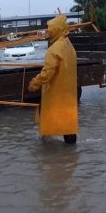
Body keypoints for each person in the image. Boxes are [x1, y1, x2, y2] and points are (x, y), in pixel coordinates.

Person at [28, 15, 78, 144]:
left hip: (56, 91)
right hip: (69, 92)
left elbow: (47, 72)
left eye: (50, 28)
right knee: (69, 122)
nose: (48, 31)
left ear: (57, 29)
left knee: (49, 116)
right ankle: (71, 155)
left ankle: (49, 153)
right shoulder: (69, 46)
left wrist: (34, 83)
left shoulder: (54, 49)